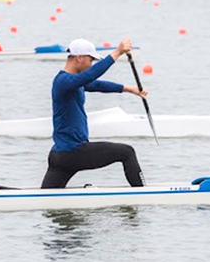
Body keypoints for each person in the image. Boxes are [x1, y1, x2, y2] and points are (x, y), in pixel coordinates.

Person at [40, 38, 147, 189]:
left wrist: (129, 89)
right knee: (127, 152)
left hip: (60, 155)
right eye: (91, 60)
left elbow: (97, 84)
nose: (91, 64)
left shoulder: (73, 82)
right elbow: (90, 76)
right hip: (73, 151)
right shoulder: (63, 82)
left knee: (46, 199)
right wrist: (117, 52)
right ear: (79, 58)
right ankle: (143, 192)